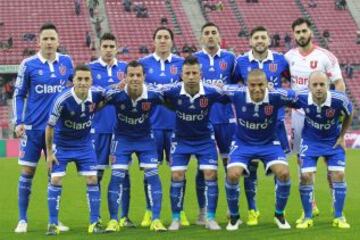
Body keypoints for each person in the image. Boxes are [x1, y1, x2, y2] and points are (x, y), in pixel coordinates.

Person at [13, 22, 73, 233]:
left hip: (57, 131)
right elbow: (19, 95)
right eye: (45, 38)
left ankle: (54, 221)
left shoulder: (67, 62)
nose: (49, 42)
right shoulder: (28, 64)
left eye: (52, 38)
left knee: (54, 174)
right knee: (28, 170)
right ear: (39, 41)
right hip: (32, 129)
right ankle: (22, 219)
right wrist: (18, 121)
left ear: (58, 41)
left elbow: (74, 93)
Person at [285, 17, 346, 222]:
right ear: (293, 35)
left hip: (323, 116)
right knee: (301, 160)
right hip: (299, 117)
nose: (301, 35)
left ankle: (334, 202)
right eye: (297, 32)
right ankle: (310, 205)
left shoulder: (325, 56)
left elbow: (339, 84)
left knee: (331, 161)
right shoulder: (289, 57)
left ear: (310, 31)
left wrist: (335, 111)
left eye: (304, 31)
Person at [234, 26, 290, 226]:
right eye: (256, 37)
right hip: (251, 124)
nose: (259, 40)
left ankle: (279, 211)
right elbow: (234, 86)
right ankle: (252, 210)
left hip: (276, 122)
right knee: (250, 167)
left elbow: (293, 84)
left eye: (263, 37)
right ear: (250, 41)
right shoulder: (240, 61)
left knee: (281, 170)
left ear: (269, 40)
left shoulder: (281, 60)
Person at [224, 69, 294, 231]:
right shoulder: (237, 94)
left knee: (284, 173)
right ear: (247, 85)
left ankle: (279, 214)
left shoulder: (276, 96)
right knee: (233, 174)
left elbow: (301, 97)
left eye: (261, 85)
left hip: (269, 143)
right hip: (242, 143)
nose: (257, 89)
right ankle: (234, 217)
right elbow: (215, 91)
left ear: (267, 85)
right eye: (253, 85)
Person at [165, 56, 228, 231]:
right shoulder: (172, 91)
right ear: (181, 75)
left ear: (201, 74)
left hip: (204, 140)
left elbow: (234, 94)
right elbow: (152, 93)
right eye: (187, 73)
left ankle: (210, 218)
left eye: (194, 73)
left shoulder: (211, 91)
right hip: (181, 140)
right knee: (177, 176)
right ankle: (176, 218)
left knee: (210, 174)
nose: (191, 76)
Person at [104, 60, 167, 232]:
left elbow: (171, 101)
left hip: (145, 139)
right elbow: (100, 97)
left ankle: (156, 219)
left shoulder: (153, 95)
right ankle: (113, 220)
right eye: (131, 75)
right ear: (124, 77)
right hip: (122, 139)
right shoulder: (115, 94)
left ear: (144, 77)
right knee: (116, 176)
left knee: (153, 176)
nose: (135, 78)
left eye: (138, 75)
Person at [45, 64, 105, 235]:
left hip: (84, 144)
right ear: (73, 81)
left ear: (91, 81)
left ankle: (95, 222)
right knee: (55, 180)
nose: (83, 82)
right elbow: (49, 127)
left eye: (87, 79)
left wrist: (120, 85)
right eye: (79, 79)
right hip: (62, 145)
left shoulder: (96, 94)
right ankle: (52, 224)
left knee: (93, 179)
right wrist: (49, 153)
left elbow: (110, 94)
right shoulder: (62, 100)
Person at [138, 26, 187, 227]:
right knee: (150, 171)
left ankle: (179, 211)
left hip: (176, 125)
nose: (163, 40)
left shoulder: (181, 64)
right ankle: (149, 211)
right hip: (152, 126)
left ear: (172, 41)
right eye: (159, 37)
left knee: (179, 172)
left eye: (166, 37)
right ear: (154, 40)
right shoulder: (143, 64)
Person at [293, 71, 352, 229]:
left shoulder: (339, 100)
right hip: (311, 141)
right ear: (309, 86)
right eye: (315, 85)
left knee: (338, 174)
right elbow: (280, 100)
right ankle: (307, 216)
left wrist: (342, 136)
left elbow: (349, 114)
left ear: (328, 85)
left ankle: (339, 216)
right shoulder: (301, 97)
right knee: (305, 176)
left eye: (322, 84)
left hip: (332, 141)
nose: (318, 88)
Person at [87, 33, 132, 228]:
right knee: (97, 174)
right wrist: (115, 88)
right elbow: (92, 99)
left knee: (124, 174)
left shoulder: (125, 68)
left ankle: (124, 216)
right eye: (104, 45)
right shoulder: (90, 69)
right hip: (99, 129)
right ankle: (95, 217)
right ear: (99, 46)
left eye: (111, 46)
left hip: (122, 130)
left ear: (116, 47)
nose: (108, 49)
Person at [193, 22, 236, 225]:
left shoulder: (230, 58)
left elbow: (238, 86)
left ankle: (231, 208)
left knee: (230, 165)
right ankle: (203, 211)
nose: (210, 36)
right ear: (202, 37)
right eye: (207, 33)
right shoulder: (194, 60)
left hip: (227, 120)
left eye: (213, 32)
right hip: (203, 120)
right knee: (203, 168)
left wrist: (223, 87)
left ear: (219, 36)